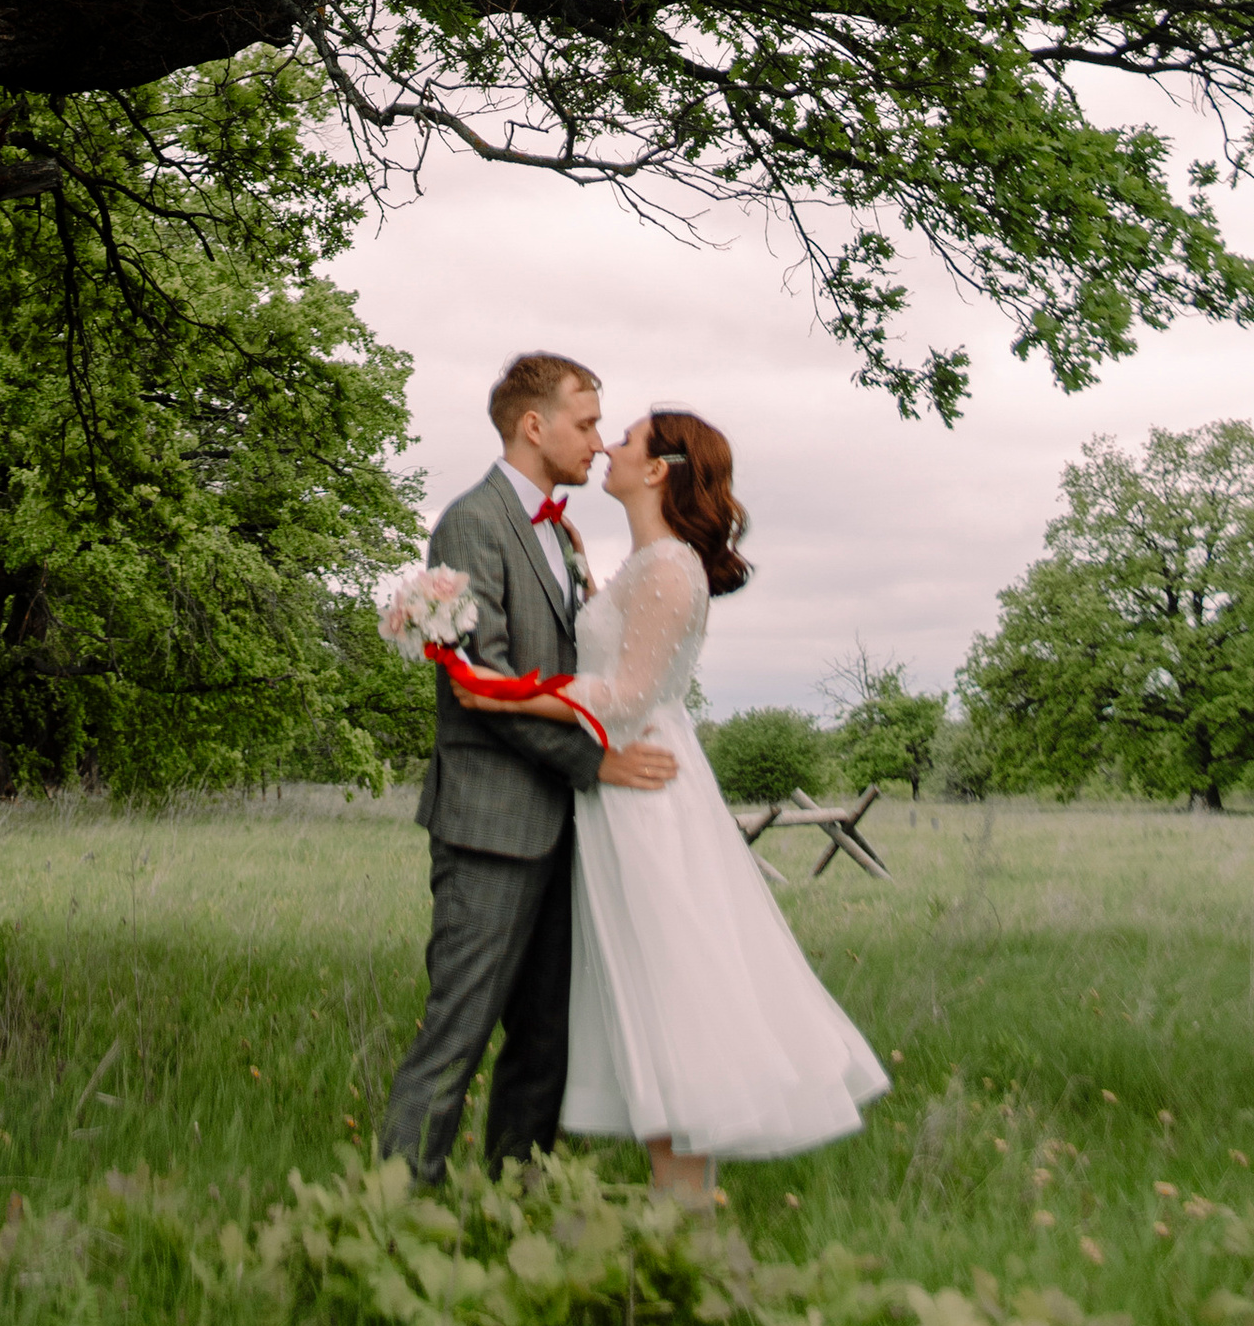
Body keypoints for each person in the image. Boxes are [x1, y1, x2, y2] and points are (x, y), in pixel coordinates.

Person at [493, 408, 889, 1205]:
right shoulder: (645, 564)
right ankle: (675, 1210)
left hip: (647, 801)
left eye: (626, 438)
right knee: (644, 991)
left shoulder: (671, 568)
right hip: (619, 797)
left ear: (659, 469)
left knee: (670, 986)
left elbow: (630, 694)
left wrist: (506, 692)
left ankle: (683, 1214)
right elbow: (617, 653)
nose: (606, 445)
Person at [379, 353, 683, 1183]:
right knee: (460, 1030)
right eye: (585, 425)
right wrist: (597, 763)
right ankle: (394, 1209)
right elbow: (491, 683)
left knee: (547, 1035)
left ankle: (517, 1198)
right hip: (492, 826)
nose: (596, 441)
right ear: (533, 425)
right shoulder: (473, 523)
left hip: (565, 830)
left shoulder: (558, 529)